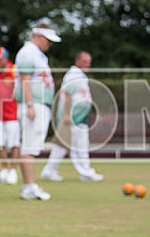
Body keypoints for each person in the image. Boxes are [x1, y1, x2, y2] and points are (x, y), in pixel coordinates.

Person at [14, 23, 61, 200]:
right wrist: (30, 105)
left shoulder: (37, 54)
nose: (50, 44)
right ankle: (29, 187)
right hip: (34, 105)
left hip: (39, 104)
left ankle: (29, 185)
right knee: (29, 147)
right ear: (40, 37)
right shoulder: (28, 53)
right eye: (48, 41)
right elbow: (25, 80)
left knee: (31, 147)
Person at [40, 51, 104, 182]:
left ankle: (49, 171)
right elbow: (68, 95)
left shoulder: (80, 75)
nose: (88, 64)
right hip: (73, 118)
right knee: (79, 145)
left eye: (89, 61)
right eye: (85, 61)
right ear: (78, 61)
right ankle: (86, 173)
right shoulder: (74, 74)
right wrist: (68, 115)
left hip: (78, 118)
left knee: (62, 145)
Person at [0, 47, 20, 184]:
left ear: (5, 58)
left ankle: (13, 170)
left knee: (14, 143)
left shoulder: (15, 70)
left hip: (13, 112)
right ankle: (4, 168)